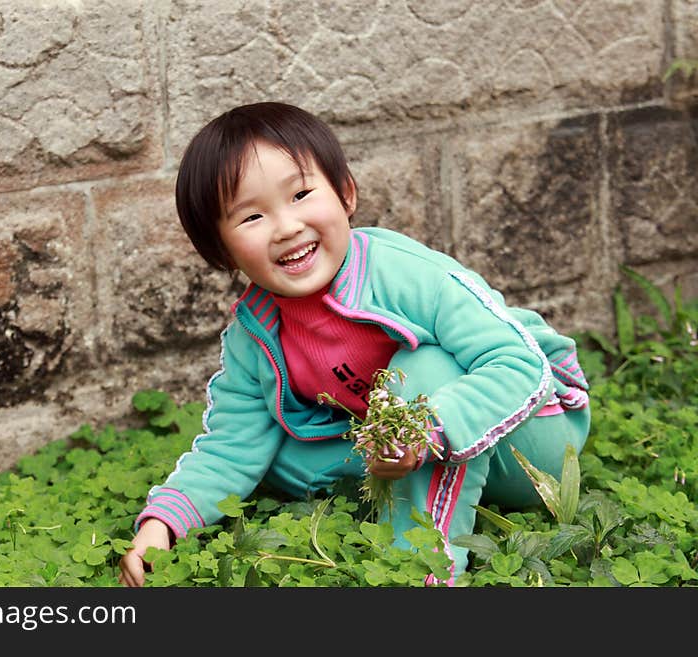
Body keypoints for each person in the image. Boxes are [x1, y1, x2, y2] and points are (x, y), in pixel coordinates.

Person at [118, 101, 591, 587]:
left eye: (301, 193)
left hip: (536, 441)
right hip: (408, 439)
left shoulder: (404, 274)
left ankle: (421, 567)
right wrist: (163, 526)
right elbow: (231, 446)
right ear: (220, 250)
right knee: (276, 451)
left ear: (345, 193)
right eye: (252, 216)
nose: (286, 227)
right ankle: (405, 476)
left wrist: (426, 430)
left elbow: (519, 364)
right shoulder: (255, 332)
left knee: (420, 367)